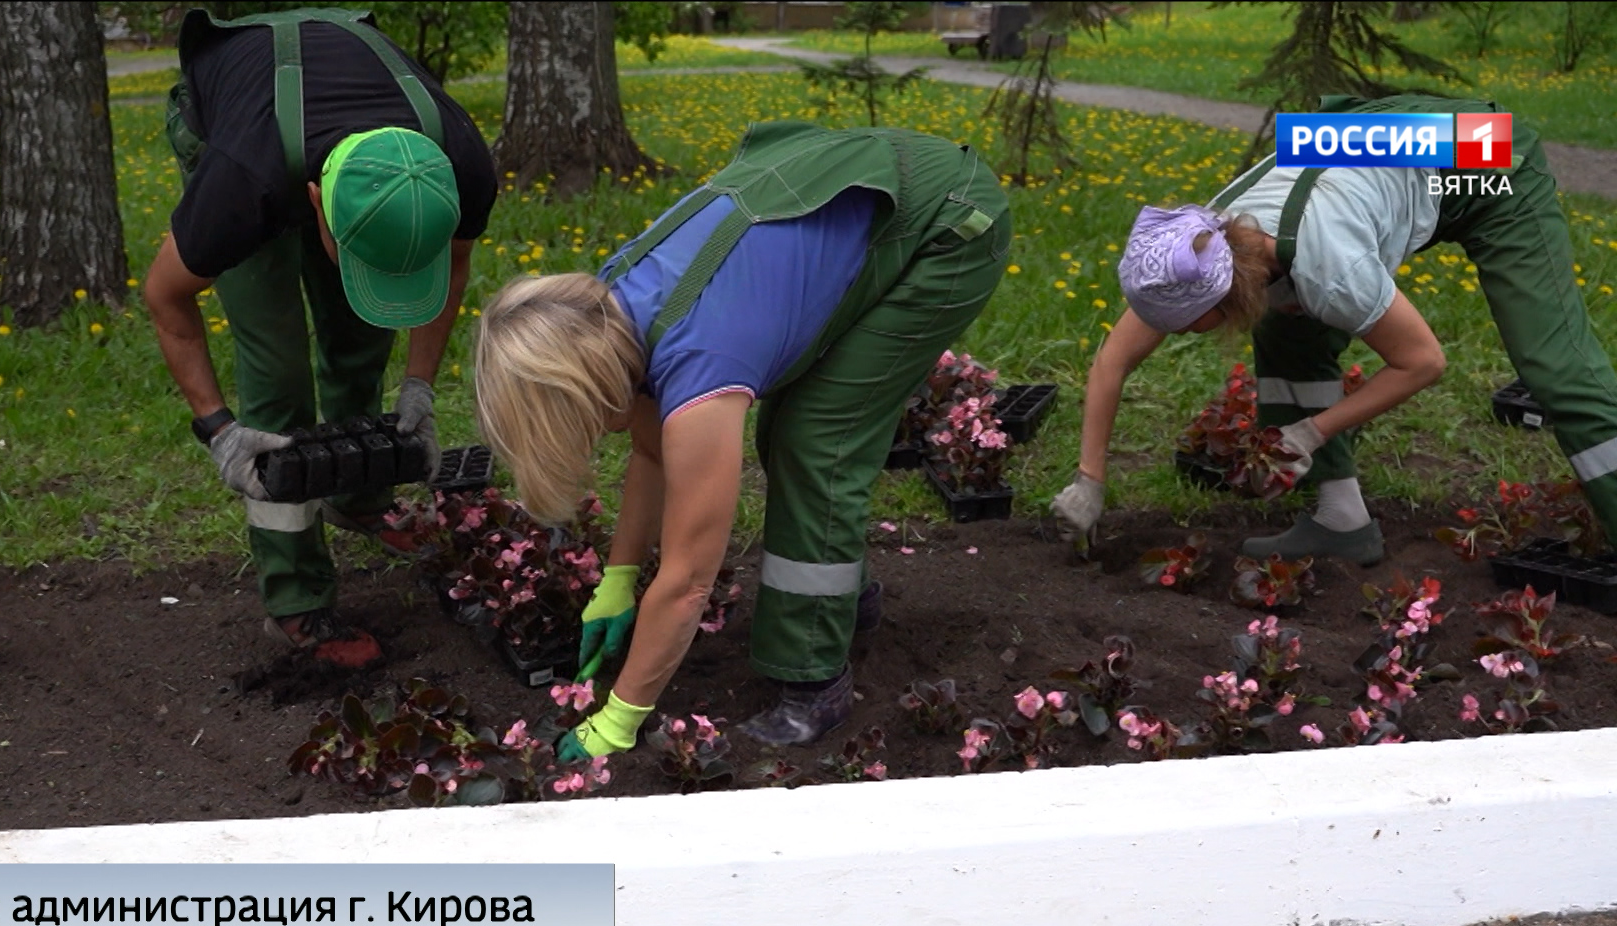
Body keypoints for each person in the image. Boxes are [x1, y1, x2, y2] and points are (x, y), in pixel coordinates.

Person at [474, 122, 1012, 759]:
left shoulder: (700, 360)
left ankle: (816, 684)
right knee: (794, 431)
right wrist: (617, 579)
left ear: (581, 391)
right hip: (861, 193)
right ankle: (849, 601)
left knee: (816, 443)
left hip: (946, 225)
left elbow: (687, 581)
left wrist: (620, 718)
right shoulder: (604, 310)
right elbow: (653, 447)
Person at [1052, 94, 1617, 564]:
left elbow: (1424, 362)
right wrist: (1089, 480)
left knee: (1553, 364)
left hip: (1483, 161)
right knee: (1285, 331)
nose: (1167, 333)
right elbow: (1111, 362)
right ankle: (1340, 520)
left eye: (1180, 327)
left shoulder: (1329, 266)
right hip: (1367, 143)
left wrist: (1312, 432)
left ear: (1226, 293)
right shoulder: (1200, 247)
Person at [144, 8, 497, 649]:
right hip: (233, 121)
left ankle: (360, 495)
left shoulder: (460, 159)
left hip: (313, 133)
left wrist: (418, 386)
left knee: (361, 334)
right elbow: (165, 299)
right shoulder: (240, 184)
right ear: (313, 204)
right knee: (276, 377)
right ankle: (296, 594)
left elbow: (453, 265)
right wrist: (218, 430)